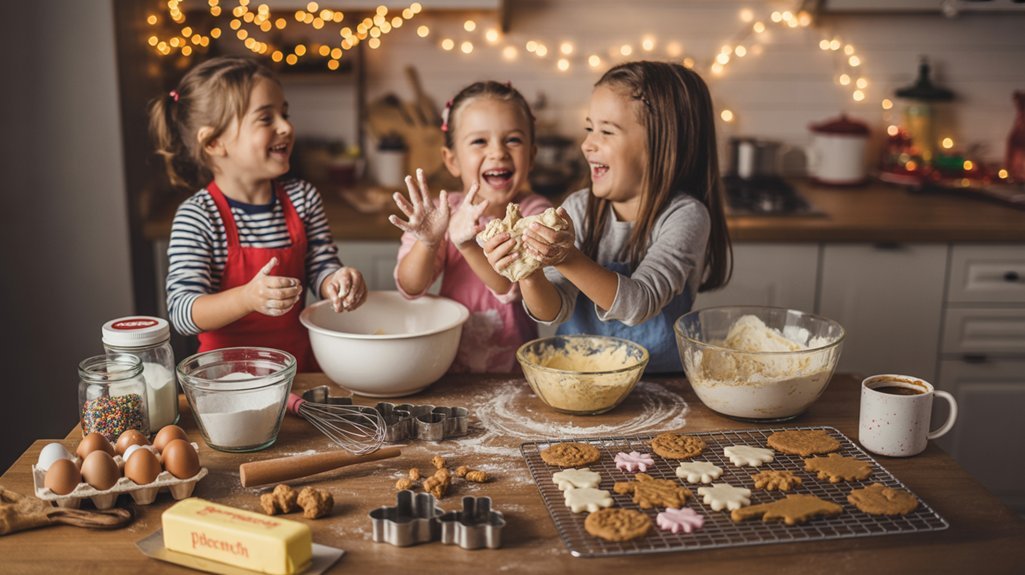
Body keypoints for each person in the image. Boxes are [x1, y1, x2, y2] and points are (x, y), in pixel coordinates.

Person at [491, 61, 732, 372]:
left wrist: (567, 257)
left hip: (662, 382)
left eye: (606, 131)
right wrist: (527, 270)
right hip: (580, 376)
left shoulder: (685, 216)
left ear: (664, 145)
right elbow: (553, 311)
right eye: (589, 128)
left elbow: (640, 304)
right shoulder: (578, 209)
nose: (587, 144)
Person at [151, 56, 366, 372]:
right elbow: (183, 312)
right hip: (226, 380)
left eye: (285, 114)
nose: (286, 126)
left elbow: (321, 266)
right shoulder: (198, 216)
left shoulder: (303, 199)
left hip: (298, 371)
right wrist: (246, 298)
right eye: (266, 118)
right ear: (214, 142)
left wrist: (338, 281)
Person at [389, 81, 550, 373]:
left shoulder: (535, 215)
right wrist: (428, 243)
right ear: (451, 160)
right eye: (479, 141)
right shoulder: (440, 214)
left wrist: (466, 245)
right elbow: (411, 286)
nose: (498, 152)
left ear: (532, 155)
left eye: (513, 139)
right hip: (449, 366)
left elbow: (510, 286)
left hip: (515, 372)